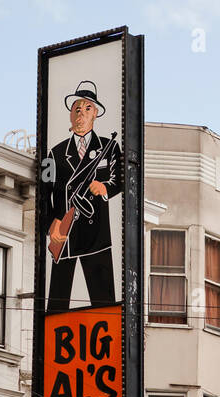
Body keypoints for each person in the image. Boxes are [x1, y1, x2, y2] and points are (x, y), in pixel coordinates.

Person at [43, 81, 124, 313]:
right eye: (77, 108)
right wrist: (52, 225)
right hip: (64, 238)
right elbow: (43, 195)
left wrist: (104, 188)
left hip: (96, 236)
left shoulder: (109, 147)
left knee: (104, 307)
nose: (81, 114)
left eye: (87, 108)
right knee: (56, 309)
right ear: (70, 114)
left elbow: (120, 180)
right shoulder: (53, 154)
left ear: (96, 113)